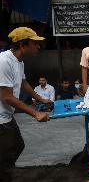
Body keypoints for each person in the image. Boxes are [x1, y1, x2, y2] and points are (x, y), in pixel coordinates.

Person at [0, 27, 50, 182]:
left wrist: (40, 98)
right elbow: (6, 97)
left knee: (18, 145)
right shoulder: (4, 61)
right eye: (34, 43)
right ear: (23, 45)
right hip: (0, 118)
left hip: (7, 114)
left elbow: (23, 83)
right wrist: (35, 113)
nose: (38, 47)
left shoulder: (19, 61)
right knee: (6, 154)